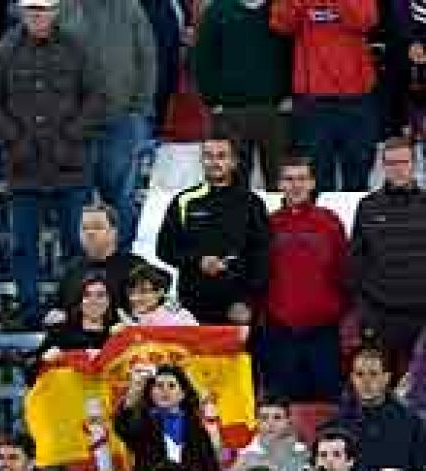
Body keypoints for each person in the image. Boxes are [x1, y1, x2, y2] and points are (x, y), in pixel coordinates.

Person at [0, 0, 100, 327]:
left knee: (76, 243)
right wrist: (14, 140)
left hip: (69, 165)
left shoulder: (77, 47)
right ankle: (31, 311)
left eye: (44, 9)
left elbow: (95, 98)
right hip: (24, 167)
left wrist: (71, 136)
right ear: (20, 12)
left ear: (56, 11)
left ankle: (78, 311)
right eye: (31, 9)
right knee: (23, 245)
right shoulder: (4, 51)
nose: (37, 15)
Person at [58, 0, 156, 246]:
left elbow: (147, 57)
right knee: (75, 198)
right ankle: (78, 268)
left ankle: (121, 264)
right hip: (74, 123)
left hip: (121, 119)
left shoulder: (130, 8)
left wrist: (139, 108)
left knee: (120, 197)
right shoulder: (63, 8)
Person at [156, 136, 271, 326]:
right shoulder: (184, 200)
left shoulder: (251, 203)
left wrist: (246, 301)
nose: (214, 162)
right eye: (208, 156)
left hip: (237, 308)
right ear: (201, 160)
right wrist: (197, 261)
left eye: (221, 156)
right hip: (193, 306)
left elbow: (262, 255)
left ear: (233, 162)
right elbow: (164, 249)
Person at [270, 0, 379, 192]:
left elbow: (366, 20)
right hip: (313, 102)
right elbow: (281, 24)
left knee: (358, 179)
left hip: (356, 98)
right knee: (316, 181)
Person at [349, 138, 426, 379]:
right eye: (391, 163)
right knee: (378, 388)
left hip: (422, 317)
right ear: (382, 167)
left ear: (415, 165)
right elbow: (356, 263)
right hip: (380, 318)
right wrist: (365, 311)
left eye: (404, 162)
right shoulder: (368, 206)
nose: (398, 168)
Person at [192, 0, 292, 186]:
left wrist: (288, 94)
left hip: (274, 111)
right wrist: (212, 101)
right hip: (230, 113)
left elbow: (293, 54)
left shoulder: (280, 9)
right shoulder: (218, 11)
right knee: (232, 183)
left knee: (281, 182)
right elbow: (202, 58)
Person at [114, 363, 224, 471]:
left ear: (183, 393)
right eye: (159, 386)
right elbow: (123, 427)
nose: (165, 390)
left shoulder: (197, 430)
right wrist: (135, 388)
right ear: (151, 392)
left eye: (171, 386)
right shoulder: (144, 424)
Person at [332, 344, 426, 471]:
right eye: (359, 374)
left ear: (386, 377)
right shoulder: (338, 424)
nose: (366, 381)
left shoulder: (412, 422)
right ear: (352, 378)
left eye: (373, 374)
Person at [48, 203, 139, 328]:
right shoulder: (72, 269)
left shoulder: (134, 268)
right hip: (77, 341)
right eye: (85, 228)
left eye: (97, 227)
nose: (90, 233)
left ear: (114, 232)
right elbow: (58, 310)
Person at [224, 397, 310, 471]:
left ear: (288, 421)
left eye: (277, 418)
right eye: (264, 418)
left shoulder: (303, 456)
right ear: (257, 422)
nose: (271, 423)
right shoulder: (243, 458)